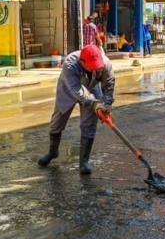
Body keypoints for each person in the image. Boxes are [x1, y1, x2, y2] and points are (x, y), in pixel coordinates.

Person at [38, 44, 115, 174]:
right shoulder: (70, 63)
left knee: (89, 124)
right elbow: (77, 90)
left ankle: (84, 162)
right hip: (69, 89)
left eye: (97, 66)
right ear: (82, 62)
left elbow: (109, 84)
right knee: (57, 121)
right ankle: (53, 152)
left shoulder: (105, 63)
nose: (94, 68)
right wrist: (95, 104)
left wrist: (106, 105)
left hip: (92, 87)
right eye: (91, 66)